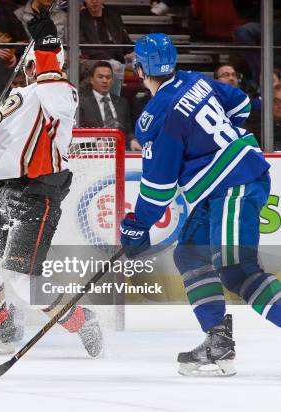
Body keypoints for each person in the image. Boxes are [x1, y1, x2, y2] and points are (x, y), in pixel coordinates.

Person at [120, 33, 280, 377]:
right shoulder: (195, 78)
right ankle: (217, 341)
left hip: (234, 188)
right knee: (189, 254)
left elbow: (159, 189)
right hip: (228, 186)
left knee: (239, 271)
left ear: (140, 68)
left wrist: (138, 225)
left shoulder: (155, 117)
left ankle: (219, 342)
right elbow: (240, 105)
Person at [0, 11, 103, 357]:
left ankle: (82, 319)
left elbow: (52, 83)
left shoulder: (59, 93)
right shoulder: (17, 98)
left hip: (38, 192)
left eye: (34, 64)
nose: (28, 70)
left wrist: (48, 41)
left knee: (23, 282)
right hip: (4, 190)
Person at [79, 60, 140, 151]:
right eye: (100, 77)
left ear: (112, 80)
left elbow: (128, 130)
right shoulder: (82, 103)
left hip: (122, 151)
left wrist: (132, 140)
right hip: (95, 153)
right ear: (91, 80)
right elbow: (79, 132)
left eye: (108, 77)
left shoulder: (122, 103)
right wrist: (94, 142)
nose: (105, 81)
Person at [79, 0, 133, 96]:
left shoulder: (113, 15)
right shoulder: (80, 17)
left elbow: (125, 41)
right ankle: (114, 101)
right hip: (94, 59)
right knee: (112, 68)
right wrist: (109, 60)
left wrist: (132, 52)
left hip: (118, 59)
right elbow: (85, 46)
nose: (94, 1)